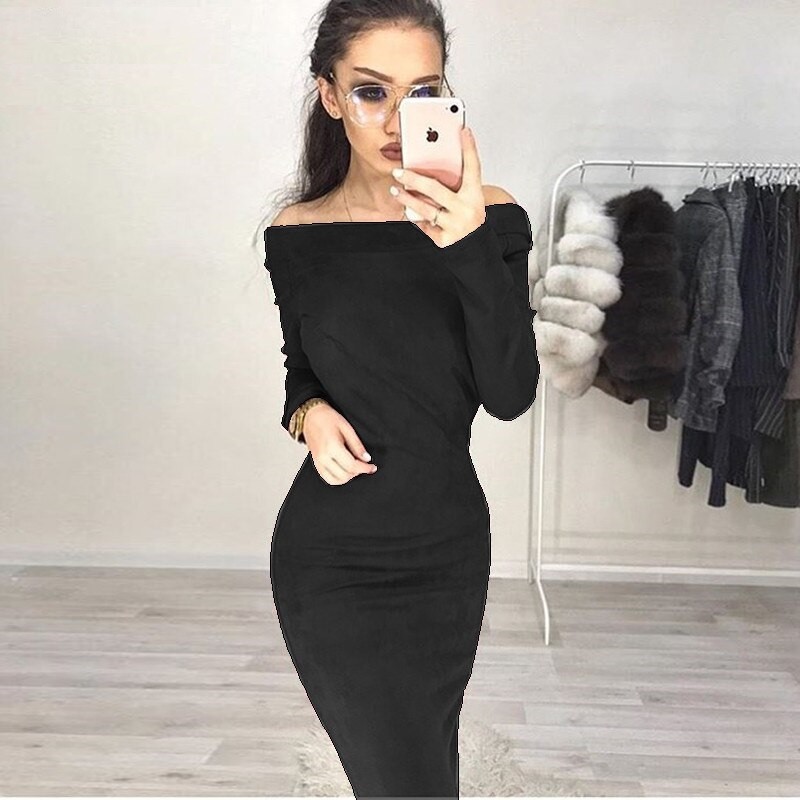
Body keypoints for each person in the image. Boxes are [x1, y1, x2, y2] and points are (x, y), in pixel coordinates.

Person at [263, 1, 539, 796]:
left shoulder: (492, 218)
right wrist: (309, 415)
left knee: (422, 763)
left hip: (446, 548)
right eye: (370, 91)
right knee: (398, 776)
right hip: (329, 557)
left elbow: (510, 393)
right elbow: (302, 370)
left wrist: (466, 246)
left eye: (423, 92)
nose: (395, 119)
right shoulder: (299, 233)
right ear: (329, 94)